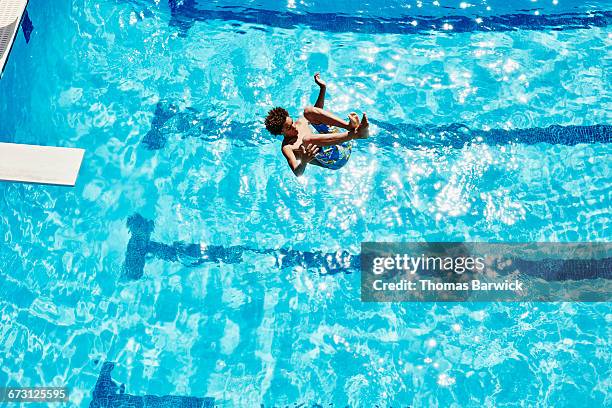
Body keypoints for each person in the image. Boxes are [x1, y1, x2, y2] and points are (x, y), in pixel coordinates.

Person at [264, 73, 369, 176]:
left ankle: (350, 127)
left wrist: (323, 88)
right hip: (338, 160)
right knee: (306, 140)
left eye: (292, 122)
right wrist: (304, 161)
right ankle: (356, 134)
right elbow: (297, 172)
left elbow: (317, 113)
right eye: (289, 127)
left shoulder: (300, 123)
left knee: (308, 111)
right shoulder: (287, 147)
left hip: (343, 141)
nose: (294, 126)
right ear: (281, 132)